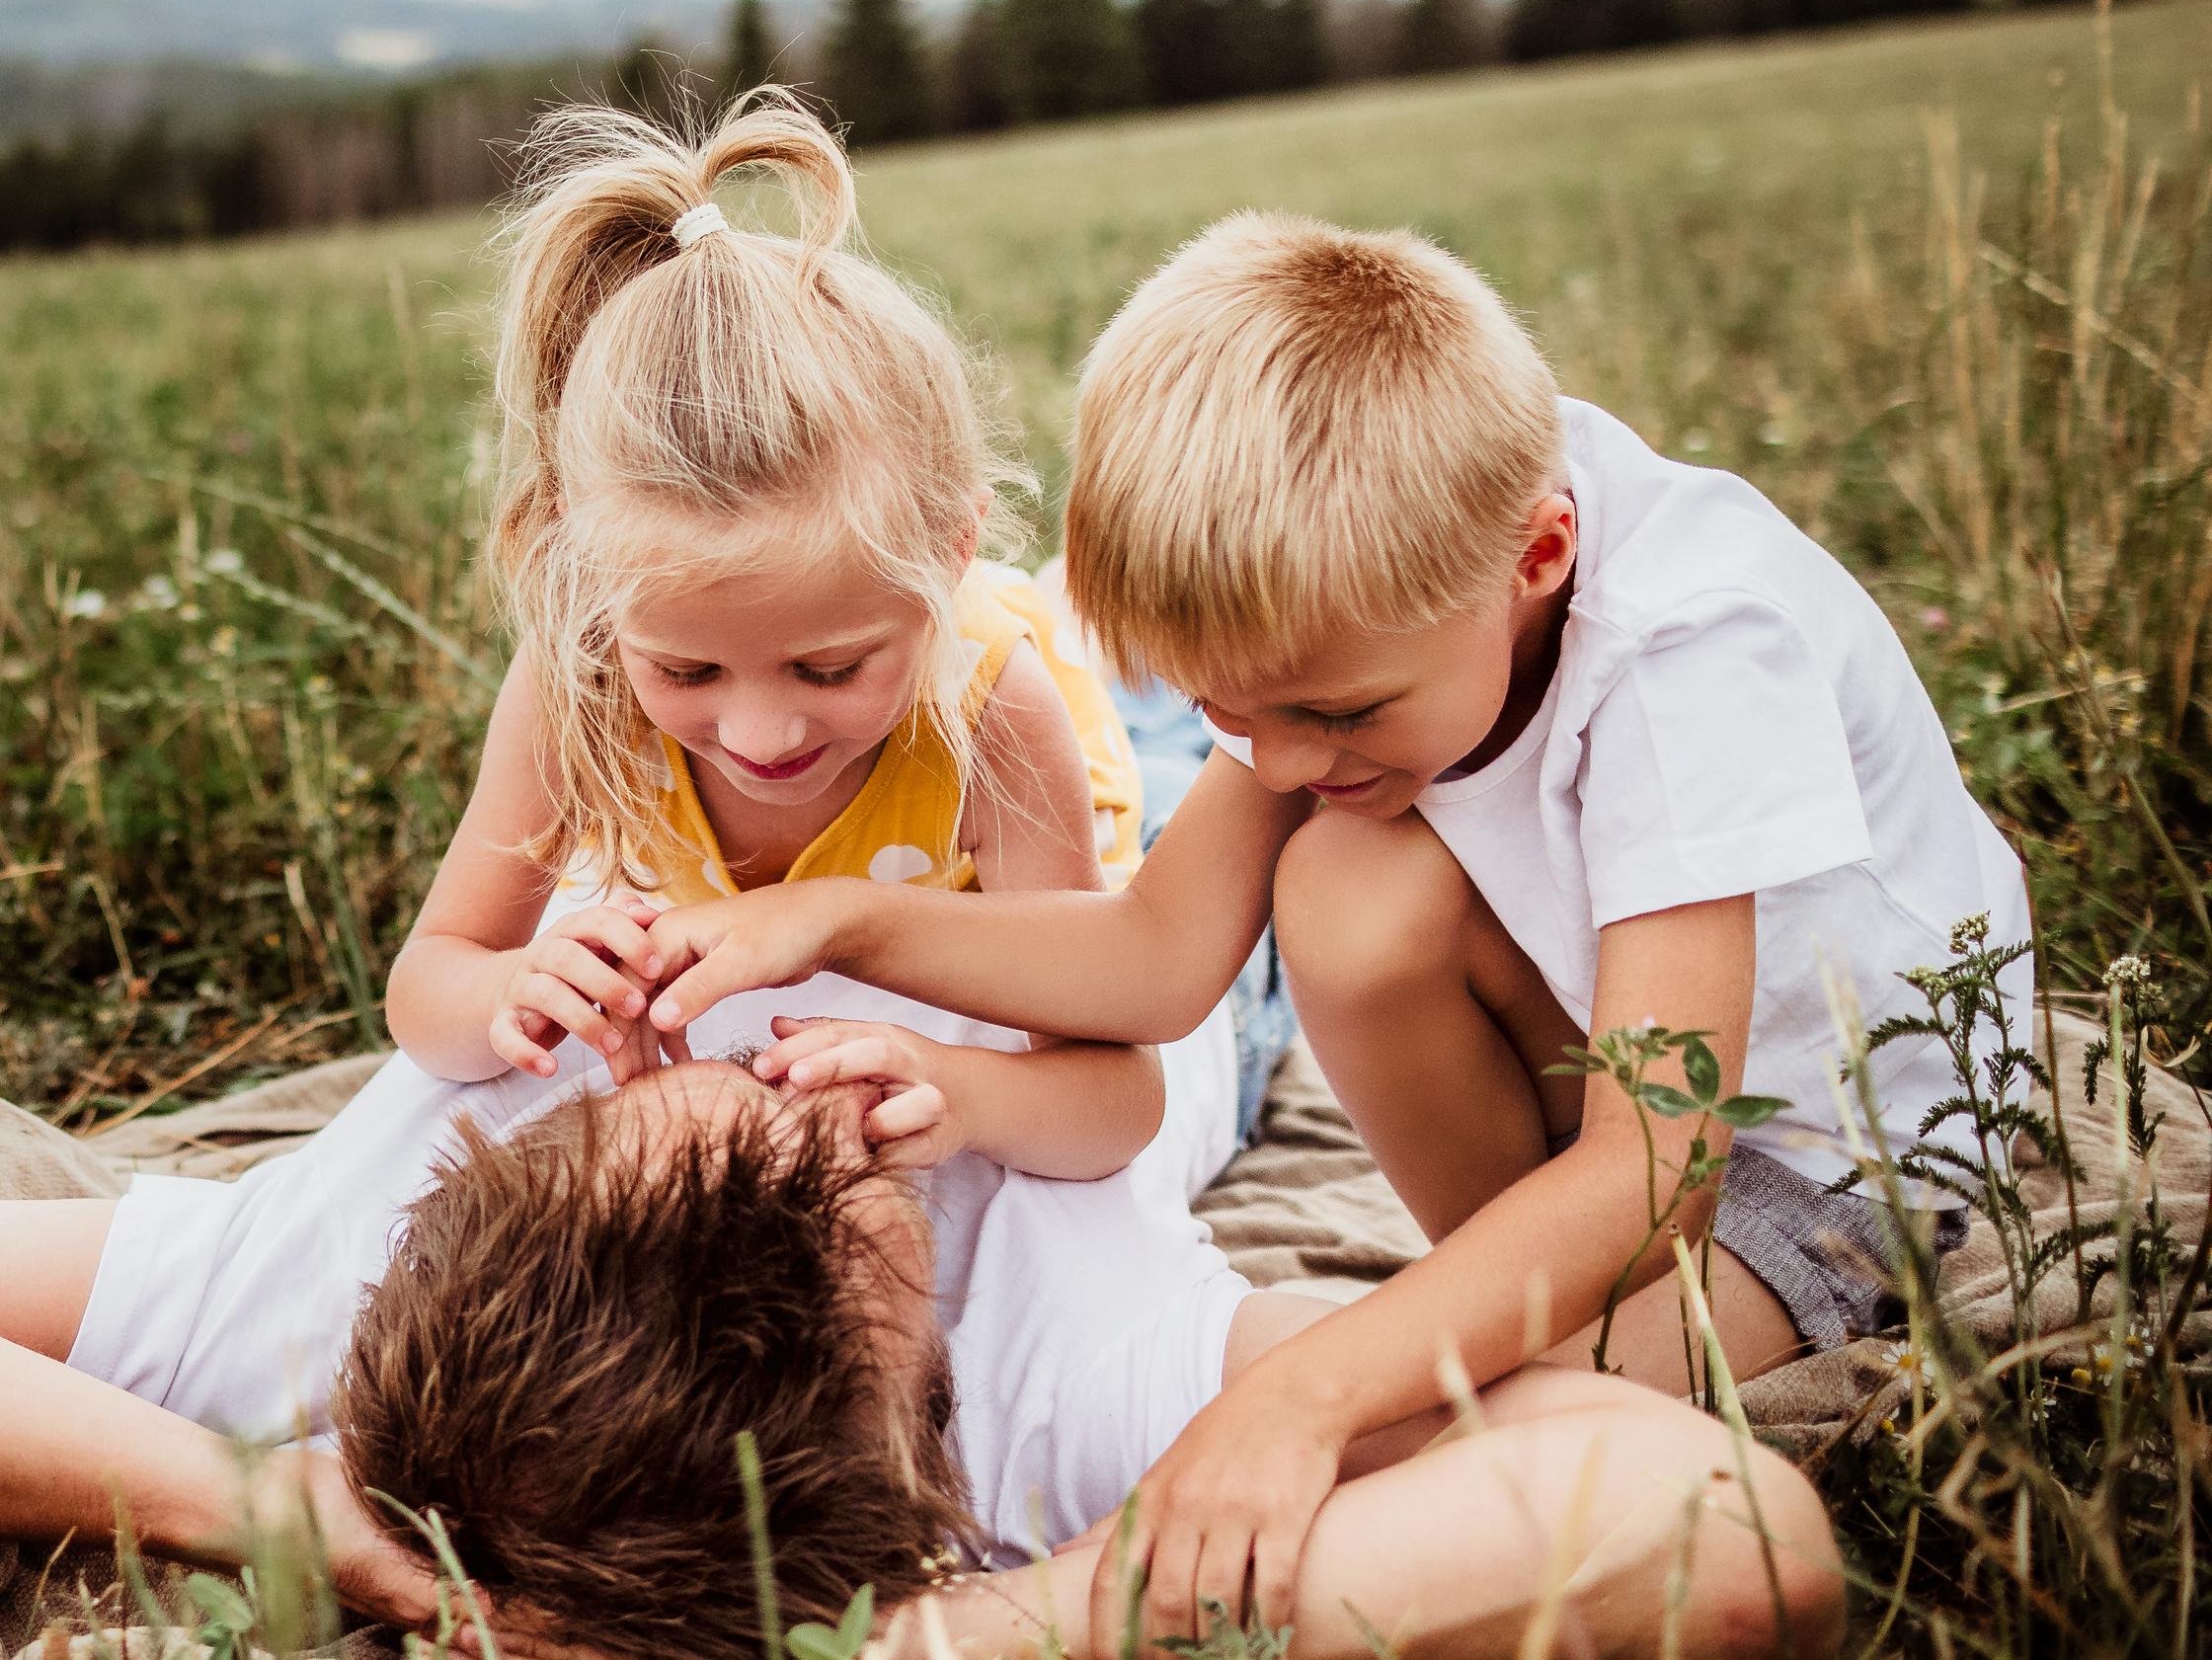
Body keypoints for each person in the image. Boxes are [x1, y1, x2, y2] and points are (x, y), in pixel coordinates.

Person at [633, 210, 2027, 1644]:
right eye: (1224, 712)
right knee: (1347, 883)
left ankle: (1012, 1615)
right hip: (1605, 1065)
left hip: (1814, 1154)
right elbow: (1158, 961)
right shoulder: (1369, 584)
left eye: (1337, 712)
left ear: (1539, 555)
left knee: (1441, 1402)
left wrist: (1310, 1389)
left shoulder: (1691, 651)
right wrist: (842, 920)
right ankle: (1490, 1283)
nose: (1282, 762)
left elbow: (1660, 1168)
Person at [0, 972, 1843, 1660]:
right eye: (786, 1111)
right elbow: (1713, 1520)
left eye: (634, 1092)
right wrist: (998, 1629)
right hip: (1146, 848)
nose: (719, 1026)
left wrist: (239, 1485)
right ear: (881, 1276)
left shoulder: (352, 1245)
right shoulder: (1075, 1379)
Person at [384, 94, 1181, 1185]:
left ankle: (1073, 616)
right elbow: (428, 986)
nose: (760, 730)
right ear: (591, 589)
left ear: (949, 558)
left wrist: (968, 1088)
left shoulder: (991, 709)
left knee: (1173, 728)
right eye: (687, 668)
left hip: (1079, 810)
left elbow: (1118, 1098)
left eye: (830, 665)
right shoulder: (577, 673)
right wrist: (505, 991)